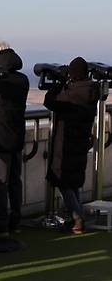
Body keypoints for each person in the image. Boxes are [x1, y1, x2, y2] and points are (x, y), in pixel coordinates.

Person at [44, 57, 98, 234]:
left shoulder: (73, 94)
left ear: (73, 74)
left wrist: (58, 82)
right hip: (80, 142)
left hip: (66, 144)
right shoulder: (90, 90)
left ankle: (77, 216)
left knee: (63, 182)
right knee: (73, 181)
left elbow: (50, 101)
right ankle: (77, 214)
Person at [0, 41, 29, 235]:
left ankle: (0, 225)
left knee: (0, 183)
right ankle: (16, 221)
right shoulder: (23, 79)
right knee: (14, 181)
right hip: (17, 135)